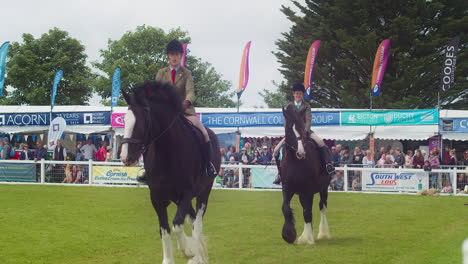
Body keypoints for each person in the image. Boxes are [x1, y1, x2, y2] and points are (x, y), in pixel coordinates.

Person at [137, 38, 215, 183]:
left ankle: (207, 165)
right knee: (150, 133)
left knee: (203, 132)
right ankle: (147, 169)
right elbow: (156, 91)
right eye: (171, 54)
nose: (174, 57)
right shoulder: (161, 73)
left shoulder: (187, 73)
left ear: (181, 56)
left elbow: (191, 91)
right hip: (165, 113)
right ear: (168, 56)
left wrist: (185, 103)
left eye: (177, 54)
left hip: (184, 112)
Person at [272, 82, 335, 185]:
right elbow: (286, 121)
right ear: (293, 94)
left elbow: (309, 120)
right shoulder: (289, 106)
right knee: (277, 149)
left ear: (302, 95)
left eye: (300, 94)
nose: (298, 95)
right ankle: (280, 173)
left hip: (305, 132)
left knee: (320, 142)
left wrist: (305, 131)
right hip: (292, 133)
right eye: (296, 93)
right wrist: (289, 131)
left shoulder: (307, 105)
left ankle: (328, 165)